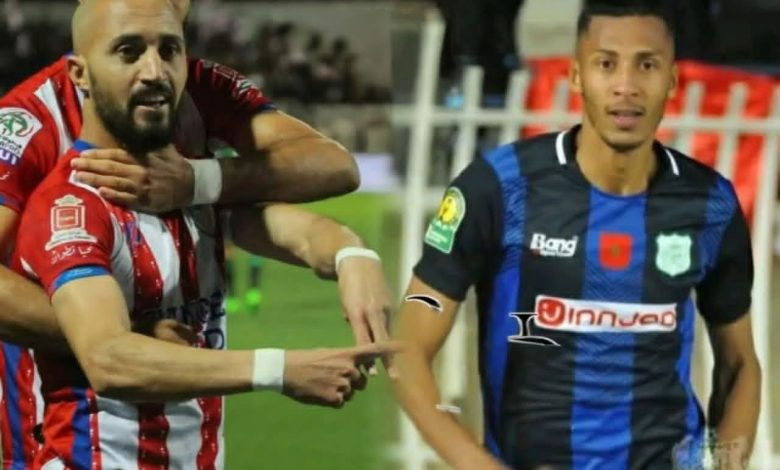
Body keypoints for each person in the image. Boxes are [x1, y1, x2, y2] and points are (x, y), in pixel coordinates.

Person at [0, 0, 392, 467]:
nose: (154, 70)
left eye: (170, 50)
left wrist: (352, 254)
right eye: (129, 52)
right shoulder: (42, 149)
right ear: (81, 72)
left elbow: (326, 178)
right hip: (58, 433)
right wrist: (130, 335)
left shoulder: (192, 109)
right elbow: (109, 356)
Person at [392, 1, 761, 469]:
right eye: (606, 64)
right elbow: (408, 348)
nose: (626, 86)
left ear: (671, 81)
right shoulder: (498, 187)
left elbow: (740, 365)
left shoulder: (710, 201)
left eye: (646, 65)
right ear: (576, 76)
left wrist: (725, 462)